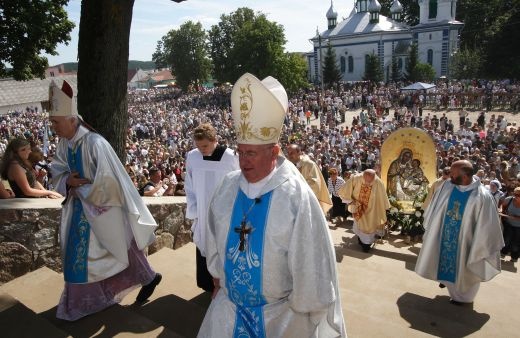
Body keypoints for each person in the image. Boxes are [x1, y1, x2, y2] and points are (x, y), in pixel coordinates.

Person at [198, 73, 345, 337]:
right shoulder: (227, 188)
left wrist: (306, 309)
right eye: (241, 152)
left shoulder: (295, 196)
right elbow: (213, 236)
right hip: (229, 310)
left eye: (251, 153)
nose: (243, 161)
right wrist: (218, 279)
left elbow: (311, 260)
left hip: (280, 317)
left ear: (274, 153)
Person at [48, 80, 161, 321]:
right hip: (80, 208)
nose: (53, 127)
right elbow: (56, 170)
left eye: (55, 122)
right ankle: (141, 280)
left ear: (71, 120)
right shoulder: (64, 143)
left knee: (110, 250)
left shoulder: (95, 143)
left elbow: (110, 181)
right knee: (98, 254)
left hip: (101, 208)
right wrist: (68, 181)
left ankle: (86, 303)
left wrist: (83, 191)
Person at [415, 160, 504, 305]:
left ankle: (464, 298)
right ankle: (448, 284)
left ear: (465, 175)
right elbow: (435, 208)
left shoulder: (482, 196)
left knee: (464, 267)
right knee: (445, 263)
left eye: (453, 173)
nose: (450, 176)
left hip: (467, 241)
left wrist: (479, 243)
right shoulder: (447, 186)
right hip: (444, 235)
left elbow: (487, 226)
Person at [184, 122, 239, 293]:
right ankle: (208, 285)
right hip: (202, 212)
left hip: (224, 214)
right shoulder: (193, 157)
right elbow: (189, 186)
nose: (202, 150)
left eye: (205, 145)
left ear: (215, 140)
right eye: (199, 146)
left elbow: (238, 183)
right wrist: (194, 211)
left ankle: (225, 286)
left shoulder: (230, 157)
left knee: (222, 247)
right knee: (204, 246)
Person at [338, 169, 390, 252]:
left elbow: (383, 196)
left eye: (371, 181)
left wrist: (385, 208)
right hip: (358, 208)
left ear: (374, 177)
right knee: (359, 226)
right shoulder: (356, 178)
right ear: (363, 175)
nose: (368, 183)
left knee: (370, 227)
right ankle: (362, 241)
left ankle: (366, 245)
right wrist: (350, 200)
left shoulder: (378, 182)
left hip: (372, 210)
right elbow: (346, 190)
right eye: (366, 181)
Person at [286, 143, 332, 214]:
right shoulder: (289, 165)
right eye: (288, 153)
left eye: (292, 153)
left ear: (299, 152)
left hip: (307, 202)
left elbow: (315, 184)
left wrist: (296, 188)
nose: (289, 155)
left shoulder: (309, 164)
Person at [499, 186, 520, 262]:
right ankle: (503, 252)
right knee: (507, 238)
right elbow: (502, 205)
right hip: (508, 223)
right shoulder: (509, 199)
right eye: (515, 194)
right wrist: (501, 210)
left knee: (516, 242)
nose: (516, 197)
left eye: (518, 195)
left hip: (519, 226)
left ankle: (514, 257)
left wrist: (515, 217)